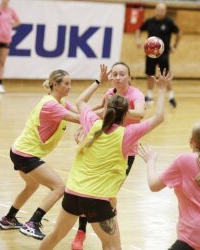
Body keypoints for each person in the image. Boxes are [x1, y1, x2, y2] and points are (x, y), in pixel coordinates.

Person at [39, 65, 173, 250]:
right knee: (113, 247)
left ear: (106, 109)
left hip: (72, 194)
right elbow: (159, 118)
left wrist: (97, 82)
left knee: (55, 236)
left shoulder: (92, 123)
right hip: (98, 200)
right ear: (126, 114)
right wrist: (162, 89)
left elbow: (80, 101)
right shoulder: (128, 134)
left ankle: (80, 233)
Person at [138, 93, 200, 250]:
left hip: (191, 238)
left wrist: (150, 161)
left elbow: (153, 185)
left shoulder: (184, 161)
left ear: (191, 141)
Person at [0, 70, 80, 240]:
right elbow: (80, 118)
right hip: (26, 154)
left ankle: (9, 219)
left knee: (31, 186)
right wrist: (110, 115)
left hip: (18, 150)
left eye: (70, 83)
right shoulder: (52, 105)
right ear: (55, 85)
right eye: (66, 83)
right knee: (59, 188)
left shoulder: (59, 101)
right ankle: (32, 223)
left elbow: (84, 111)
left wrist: (105, 105)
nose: (69, 87)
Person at [71, 62, 146, 250]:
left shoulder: (135, 94)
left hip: (125, 153)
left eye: (122, 74)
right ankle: (81, 232)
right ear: (110, 77)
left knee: (109, 194)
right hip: (104, 150)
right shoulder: (109, 94)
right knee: (90, 190)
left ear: (129, 77)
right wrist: (84, 124)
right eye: (115, 74)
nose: (118, 77)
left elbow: (140, 114)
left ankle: (109, 223)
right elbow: (104, 114)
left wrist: (119, 109)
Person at [135, 2, 182, 107]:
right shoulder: (150, 22)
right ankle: (149, 96)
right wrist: (137, 40)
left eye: (163, 10)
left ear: (165, 11)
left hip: (164, 54)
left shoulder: (169, 22)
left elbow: (179, 33)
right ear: (155, 10)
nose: (161, 11)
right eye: (159, 9)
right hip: (150, 54)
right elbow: (139, 29)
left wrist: (174, 46)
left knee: (165, 76)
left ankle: (171, 97)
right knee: (150, 74)